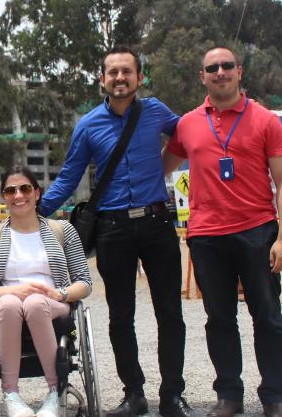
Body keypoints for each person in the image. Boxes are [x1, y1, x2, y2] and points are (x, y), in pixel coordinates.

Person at [38, 45, 192, 417]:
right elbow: (69, 178)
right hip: (112, 229)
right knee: (121, 315)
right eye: (113, 72)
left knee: (169, 312)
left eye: (127, 72)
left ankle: (172, 395)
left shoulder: (156, 112)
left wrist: (163, 167)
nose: (120, 78)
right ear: (102, 80)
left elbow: (188, 140)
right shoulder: (88, 124)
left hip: (157, 224)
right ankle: (134, 394)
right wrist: (30, 212)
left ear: (140, 77)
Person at [163, 46, 282, 417]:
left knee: (267, 316)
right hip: (206, 236)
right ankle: (229, 396)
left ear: (239, 72)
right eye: (211, 68)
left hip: (257, 231)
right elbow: (161, 166)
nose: (219, 72)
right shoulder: (187, 124)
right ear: (202, 76)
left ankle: (275, 397)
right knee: (219, 319)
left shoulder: (265, 120)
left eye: (226, 66)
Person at [0, 165, 91, 417]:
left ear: (37, 193)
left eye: (25, 188)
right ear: (3, 197)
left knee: (36, 303)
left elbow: (84, 282)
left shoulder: (63, 230)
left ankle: (54, 392)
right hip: (5, 303)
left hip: (51, 301)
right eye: (10, 190)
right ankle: (11, 395)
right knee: (11, 304)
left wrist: (60, 294)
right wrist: (15, 291)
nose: (18, 195)